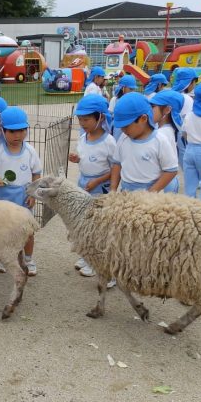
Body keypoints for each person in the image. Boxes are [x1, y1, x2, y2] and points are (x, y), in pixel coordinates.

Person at [0, 107, 42, 276]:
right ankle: (7, 258)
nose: (18, 135)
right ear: (3, 130)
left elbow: (36, 174)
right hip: (2, 197)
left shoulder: (30, 151)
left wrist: (33, 194)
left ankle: (28, 259)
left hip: (23, 196)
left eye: (22, 130)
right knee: (4, 231)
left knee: (27, 231)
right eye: (12, 131)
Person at [68, 94, 116, 279]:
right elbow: (84, 157)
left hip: (99, 188)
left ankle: (95, 261)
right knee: (84, 223)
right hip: (84, 184)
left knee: (98, 225)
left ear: (101, 117)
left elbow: (115, 169)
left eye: (87, 119)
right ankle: (86, 256)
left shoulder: (109, 142)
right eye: (80, 119)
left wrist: (97, 181)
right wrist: (77, 159)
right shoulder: (83, 138)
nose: (83, 123)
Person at [110, 93, 178, 193]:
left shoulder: (159, 141)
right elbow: (117, 164)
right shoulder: (123, 138)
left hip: (151, 198)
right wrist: (113, 189)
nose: (122, 130)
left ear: (143, 119)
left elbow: (171, 170)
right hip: (126, 193)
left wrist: (151, 192)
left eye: (126, 126)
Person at [149, 90, 184, 192]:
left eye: (153, 107)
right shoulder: (168, 129)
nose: (149, 111)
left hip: (163, 183)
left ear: (167, 110)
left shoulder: (161, 134)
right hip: (169, 182)